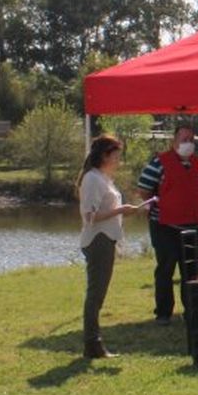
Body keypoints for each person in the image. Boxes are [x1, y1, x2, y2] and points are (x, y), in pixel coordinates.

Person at [136, 125, 198, 325]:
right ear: (173, 141)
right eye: (184, 139)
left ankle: (192, 310)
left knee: (191, 271)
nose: (189, 143)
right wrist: (160, 204)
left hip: (192, 225)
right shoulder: (159, 162)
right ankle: (163, 313)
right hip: (164, 225)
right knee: (166, 269)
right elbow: (144, 189)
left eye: (192, 140)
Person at [77, 134, 140, 359]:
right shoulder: (92, 179)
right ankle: (92, 343)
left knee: (99, 293)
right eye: (115, 156)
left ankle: (93, 341)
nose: (118, 161)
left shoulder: (104, 178)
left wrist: (124, 211)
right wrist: (121, 210)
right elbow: (90, 216)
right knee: (95, 293)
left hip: (107, 238)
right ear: (104, 155)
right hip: (98, 240)